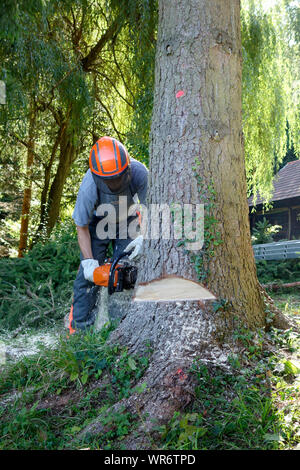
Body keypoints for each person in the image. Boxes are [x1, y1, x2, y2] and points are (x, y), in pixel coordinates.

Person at [68, 136, 148, 334]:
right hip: (97, 225)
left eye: (118, 177)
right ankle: (78, 332)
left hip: (128, 220)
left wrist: (144, 238)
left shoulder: (140, 173)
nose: (115, 182)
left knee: (125, 274)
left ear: (126, 168)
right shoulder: (89, 185)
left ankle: (119, 330)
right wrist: (89, 263)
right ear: (98, 177)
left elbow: (150, 210)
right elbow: (81, 226)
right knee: (87, 280)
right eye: (109, 180)